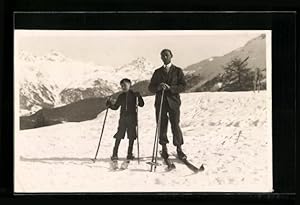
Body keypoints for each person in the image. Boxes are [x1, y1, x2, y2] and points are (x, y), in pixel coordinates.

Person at [148, 49, 187, 160]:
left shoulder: (178, 71)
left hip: (174, 103)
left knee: (175, 125)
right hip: (161, 103)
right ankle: (164, 148)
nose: (165, 57)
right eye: (163, 56)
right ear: (161, 58)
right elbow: (150, 88)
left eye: (167, 55)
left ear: (171, 56)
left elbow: (183, 86)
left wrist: (171, 88)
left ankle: (179, 149)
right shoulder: (157, 72)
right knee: (162, 125)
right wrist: (158, 87)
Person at [106, 78, 144, 160]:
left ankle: (129, 154)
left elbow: (141, 104)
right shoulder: (121, 96)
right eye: (122, 85)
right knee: (119, 135)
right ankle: (115, 154)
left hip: (131, 118)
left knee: (131, 136)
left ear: (130, 85)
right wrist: (109, 104)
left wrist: (139, 97)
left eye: (125, 85)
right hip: (123, 119)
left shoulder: (134, 95)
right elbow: (116, 107)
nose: (123, 87)